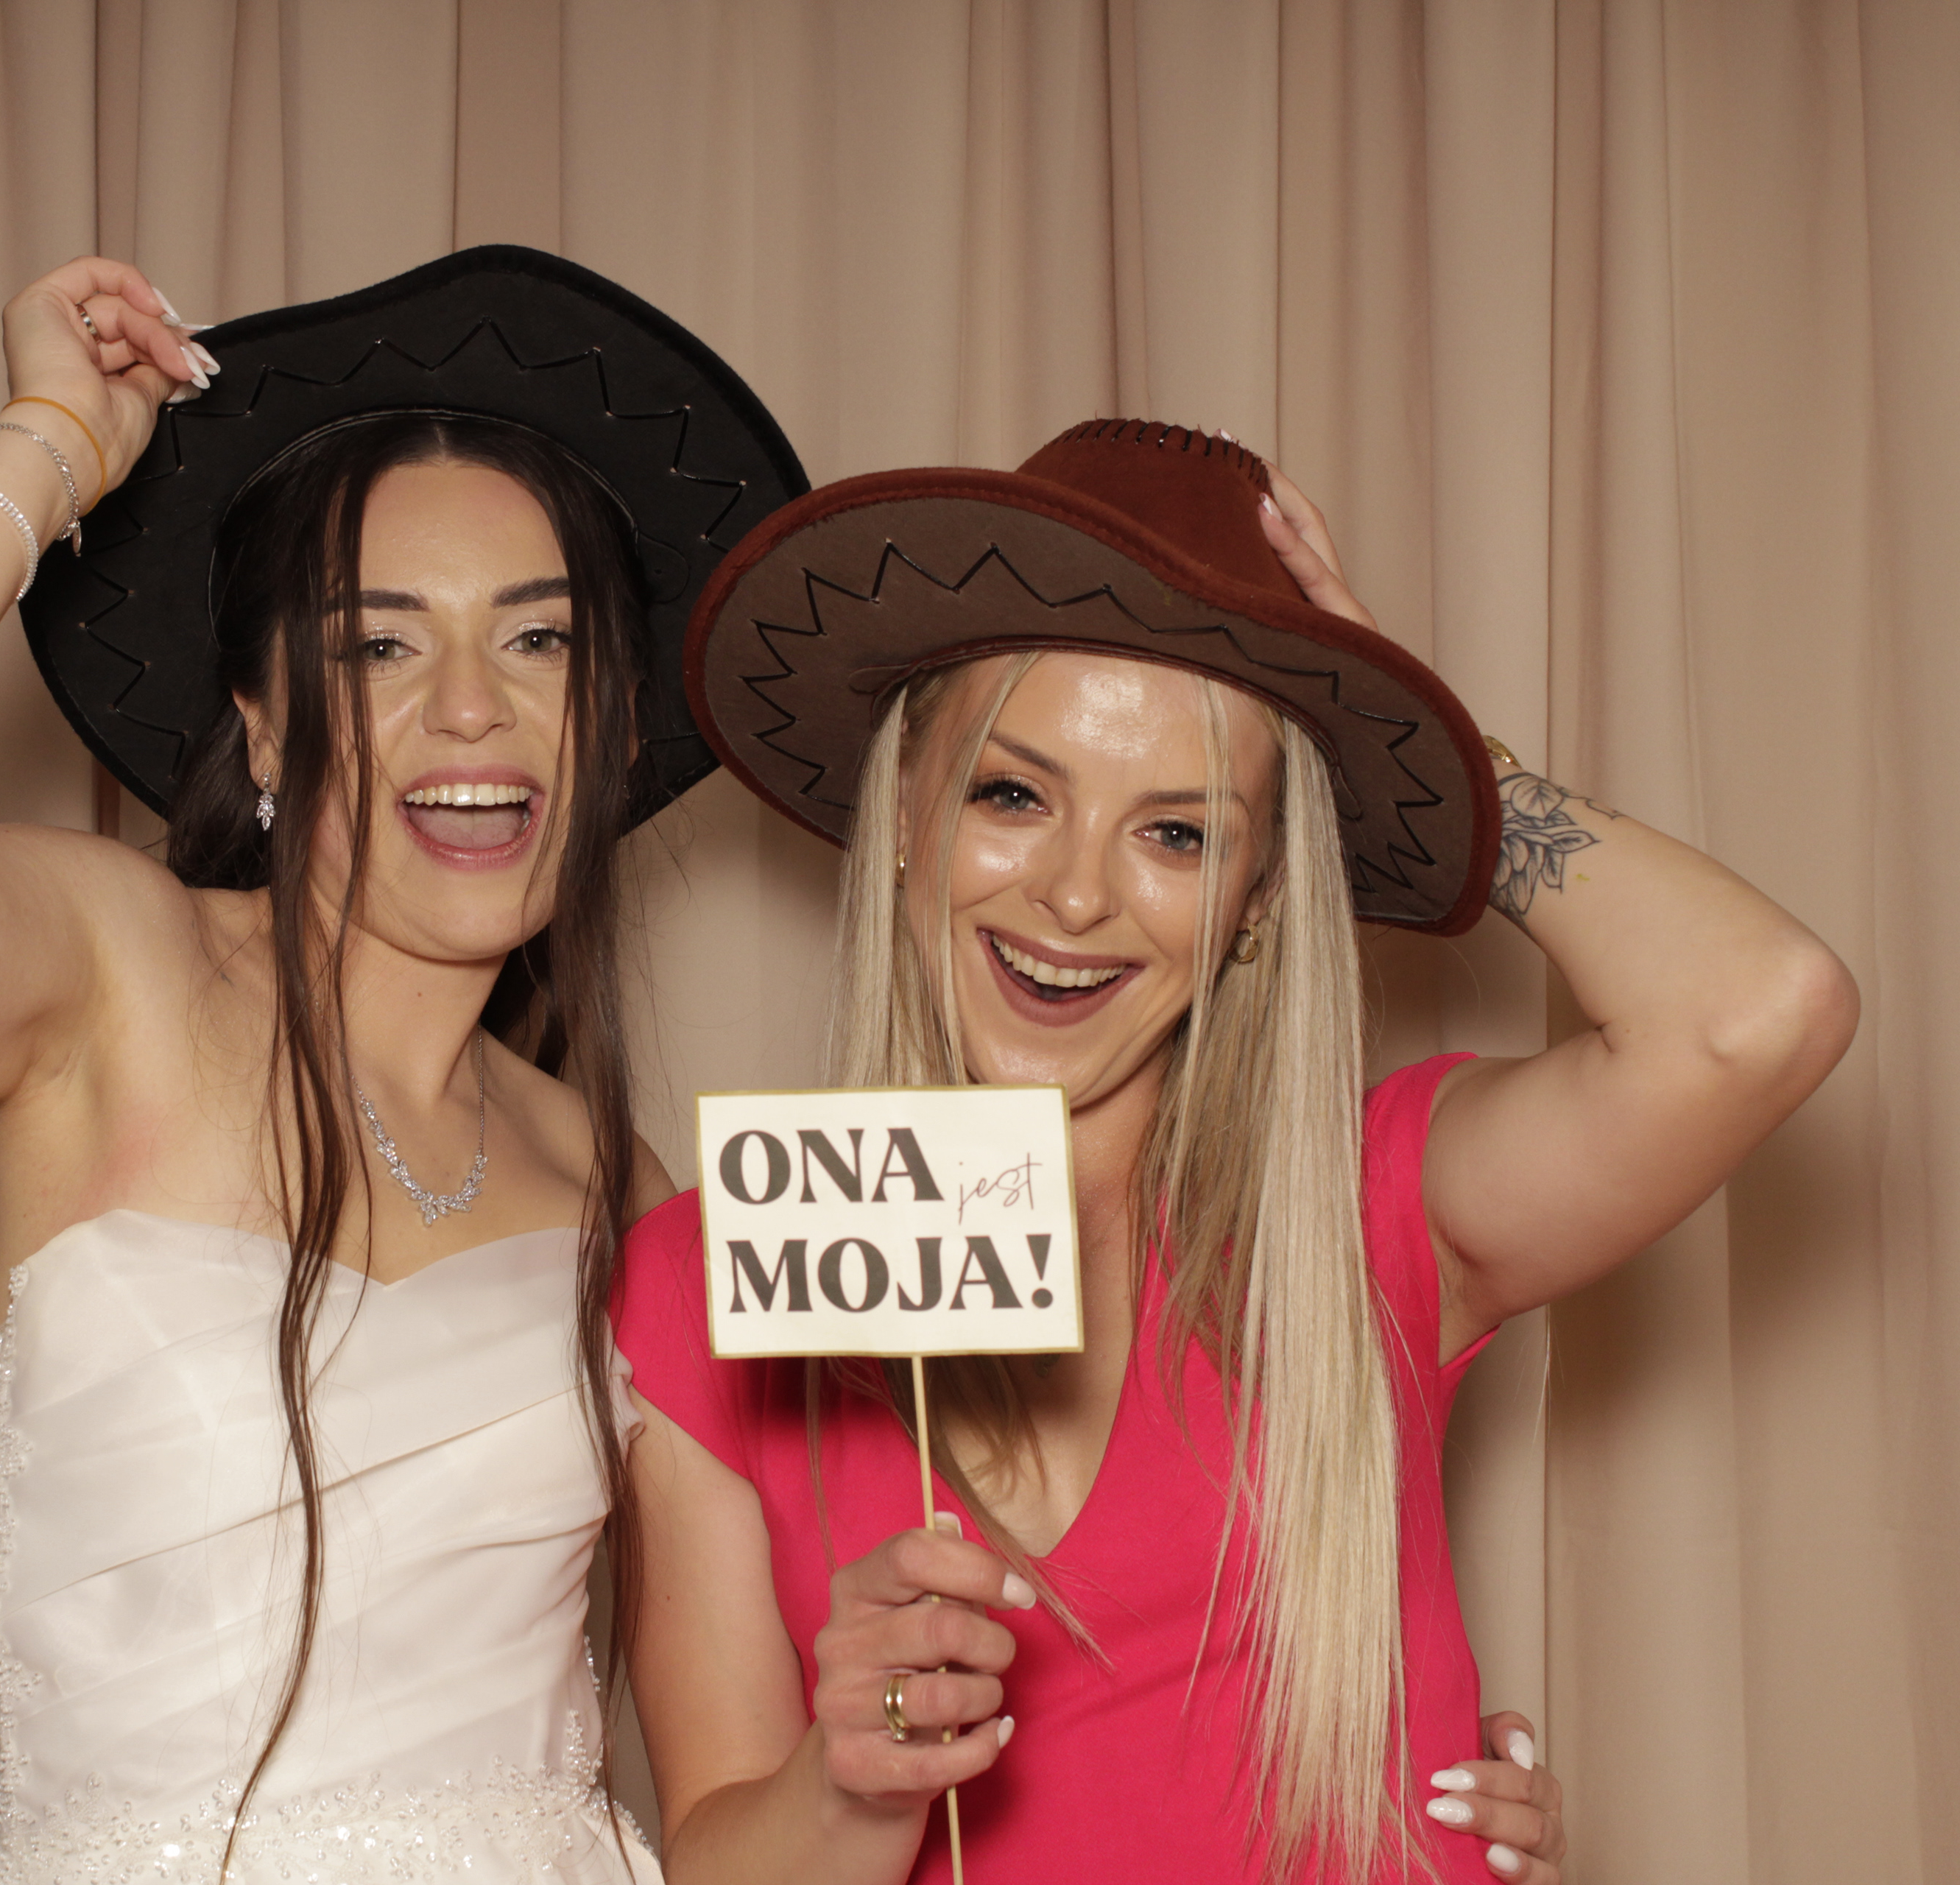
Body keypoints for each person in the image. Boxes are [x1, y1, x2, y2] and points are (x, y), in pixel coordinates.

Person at [0, 247, 805, 1881]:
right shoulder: (115, 971)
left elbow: (751, 1794)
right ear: (262, 724)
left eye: (540, 641)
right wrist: (48, 442)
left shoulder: (625, 1183)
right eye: (378, 649)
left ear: (606, 724)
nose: (473, 708)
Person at [616, 425, 1857, 1882]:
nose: (1076, 895)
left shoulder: (1377, 1203)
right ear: (902, 813)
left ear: (1262, 895)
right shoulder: (703, 1273)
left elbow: (1762, 1011)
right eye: (1014, 795)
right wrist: (858, 1779)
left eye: (1181, 836)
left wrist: (1445, 750)